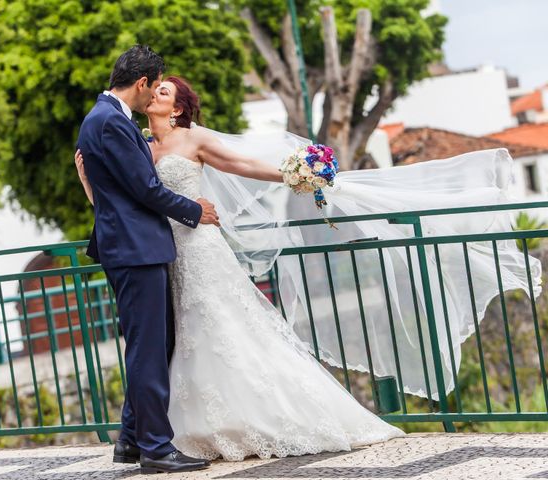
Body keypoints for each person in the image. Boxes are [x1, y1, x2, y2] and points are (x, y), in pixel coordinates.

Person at [75, 75, 405, 461]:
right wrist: (87, 180)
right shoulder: (139, 144)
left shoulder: (193, 138)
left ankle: (262, 417)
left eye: (163, 92)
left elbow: (240, 164)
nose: (152, 94)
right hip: (162, 252)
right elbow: (122, 198)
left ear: (178, 108)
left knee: (225, 328)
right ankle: (182, 430)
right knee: (172, 343)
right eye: (154, 89)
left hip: (198, 247)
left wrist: (290, 175)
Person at [76, 47, 219, 474]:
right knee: (148, 350)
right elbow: (144, 189)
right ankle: (157, 448)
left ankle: (132, 441)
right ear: (141, 83)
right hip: (134, 250)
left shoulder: (107, 119)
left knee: (153, 345)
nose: (151, 95)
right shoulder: (109, 122)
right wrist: (194, 211)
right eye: (152, 86)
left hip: (134, 247)